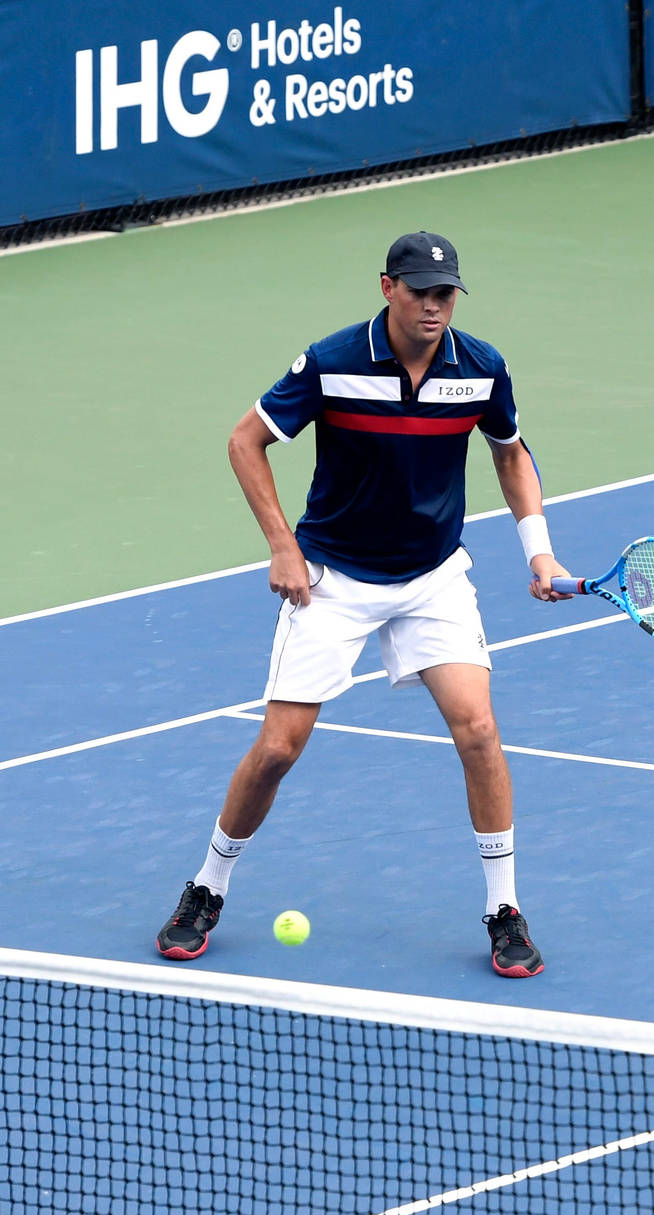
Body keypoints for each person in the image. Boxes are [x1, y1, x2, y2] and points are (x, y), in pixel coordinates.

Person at [156, 231, 570, 977]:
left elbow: (510, 451)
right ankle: (206, 887)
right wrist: (283, 545)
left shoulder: (480, 368)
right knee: (278, 748)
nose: (435, 307)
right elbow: (246, 440)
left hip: (432, 577)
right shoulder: (332, 361)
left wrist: (537, 548)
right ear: (388, 288)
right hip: (334, 578)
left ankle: (503, 908)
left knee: (479, 729)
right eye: (421, 293)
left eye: (446, 294)